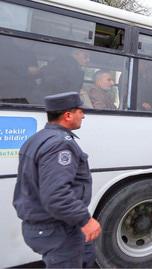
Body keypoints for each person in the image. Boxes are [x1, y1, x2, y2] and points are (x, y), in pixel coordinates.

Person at [13, 92, 101, 268]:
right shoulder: (60, 144)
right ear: (68, 115)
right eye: (79, 111)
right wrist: (85, 220)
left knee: (87, 256)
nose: (83, 115)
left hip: (51, 225)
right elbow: (56, 195)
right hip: (56, 229)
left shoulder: (37, 138)